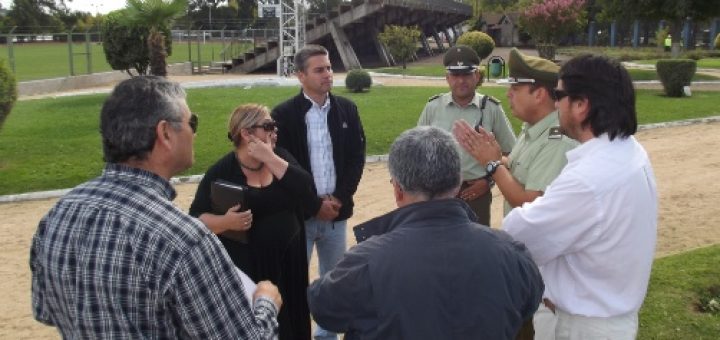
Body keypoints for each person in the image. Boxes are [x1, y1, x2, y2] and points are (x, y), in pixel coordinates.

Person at [30, 77, 281, 339]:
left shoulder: (58, 215)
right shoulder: (184, 239)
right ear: (165, 134)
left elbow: (44, 311)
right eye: (191, 122)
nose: (194, 133)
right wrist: (266, 302)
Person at [307, 126, 544, 340]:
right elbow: (529, 301)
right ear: (458, 180)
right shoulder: (512, 254)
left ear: (398, 190)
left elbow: (324, 308)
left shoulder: (366, 261)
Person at [502, 54, 658, 339]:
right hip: (608, 317)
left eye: (559, 95)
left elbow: (519, 236)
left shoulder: (589, 180)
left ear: (581, 105)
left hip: (581, 325)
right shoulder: (628, 150)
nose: (555, 103)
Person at [454, 48, 578, 340]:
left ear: (540, 94)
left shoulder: (556, 140)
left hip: (542, 264)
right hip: (525, 256)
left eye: (516, 88)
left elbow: (530, 201)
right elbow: (517, 167)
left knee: (534, 327)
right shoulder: (532, 129)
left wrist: (492, 163)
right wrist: (496, 156)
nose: (509, 94)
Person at [189, 104, 314, 340]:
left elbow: (306, 188)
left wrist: (269, 157)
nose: (274, 132)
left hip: (290, 264)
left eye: (274, 126)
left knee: (295, 323)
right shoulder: (222, 171)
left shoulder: (281, 158)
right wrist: (226, 222)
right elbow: (196, 220)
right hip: (251, 271)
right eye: (267, 127)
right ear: (246, 134)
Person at [272, 44, 366, 340]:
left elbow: (355, 158)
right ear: (300, 75)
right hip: (300, 217)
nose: (328, 74)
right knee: (294, 281)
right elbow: (284, 167)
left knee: (334, 282)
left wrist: (339, 196)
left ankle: (326, 335)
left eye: (329, 67)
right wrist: (314, 204)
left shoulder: (347, 109)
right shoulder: (283, 116)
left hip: (336, 214)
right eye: (319, 69)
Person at [418, 45, 516, 226]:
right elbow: (417, 150)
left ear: (477, 76)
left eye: (466, 74)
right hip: (439, 193)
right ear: (447, 78)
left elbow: (511, 154)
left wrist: (488, 181)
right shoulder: (433, 107)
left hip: (476, 193)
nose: (461, 81)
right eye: (455, 75)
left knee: (476, 248)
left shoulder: (492, 108)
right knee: (439, 244)